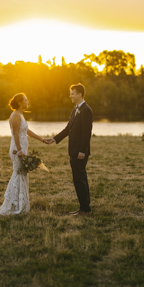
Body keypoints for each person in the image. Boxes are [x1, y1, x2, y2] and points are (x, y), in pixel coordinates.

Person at [0, 93, 50, 216]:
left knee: (22, 174)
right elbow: (16, 134)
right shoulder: (16, 115)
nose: (27, 101)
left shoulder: (21, 115)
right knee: (18, 174)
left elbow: (27, 131)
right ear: (19, 102)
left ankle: (20, 204)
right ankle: (11, 204)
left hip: (22, 148)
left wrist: (41, 139)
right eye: (25, 100)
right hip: (17, 149)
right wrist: (19, 150)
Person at [44, 83, 93, 216]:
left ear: (79, 94)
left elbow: (86, 133)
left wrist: (82, 151)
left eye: (72, 93)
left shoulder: (86, 110)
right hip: (73, 151)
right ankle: (84, 207)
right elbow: (68, 129)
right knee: (78, 178)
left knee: (80, 179)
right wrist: (54, 139)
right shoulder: (75, 109)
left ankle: (85, 209)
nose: (70, 95)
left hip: (79, 152)